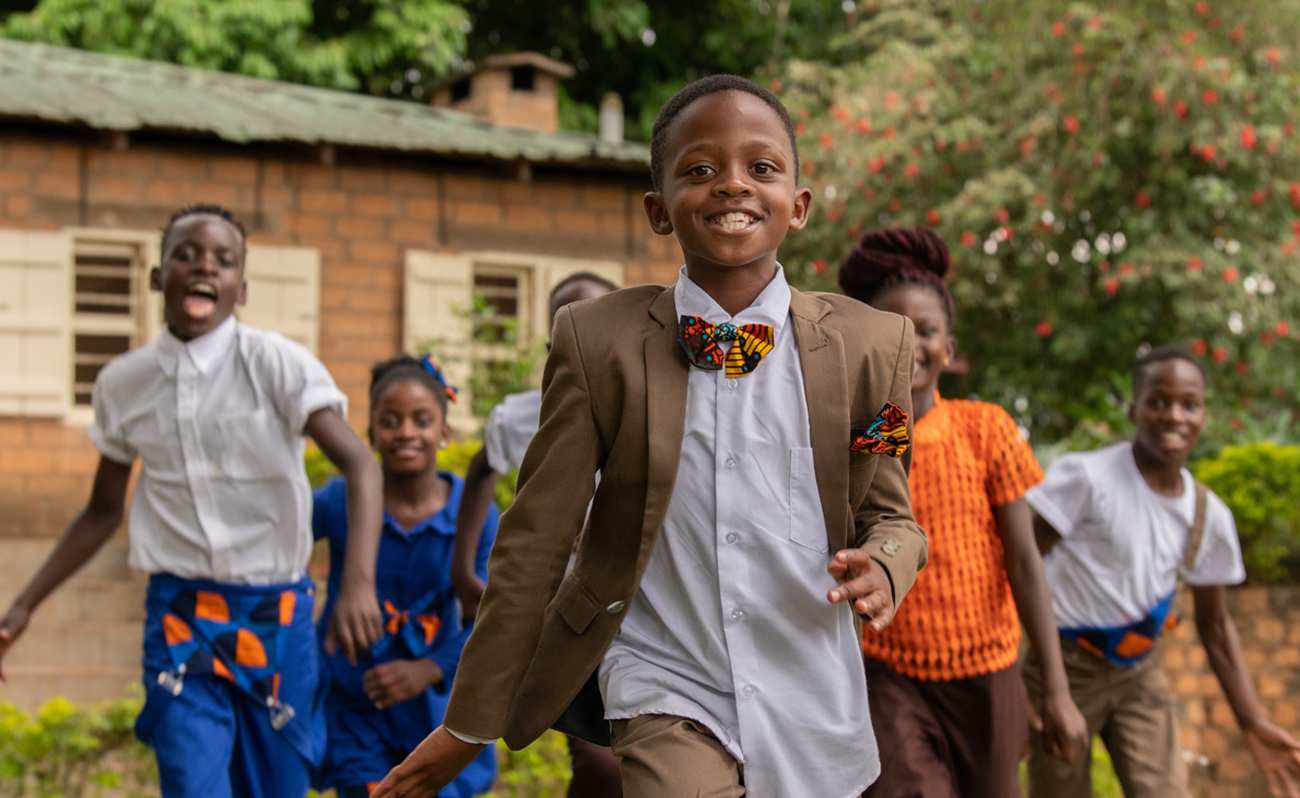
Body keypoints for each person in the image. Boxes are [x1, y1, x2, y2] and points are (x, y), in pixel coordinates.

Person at [373, 74, 928, 798]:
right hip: (663, 673)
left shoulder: (873, 349)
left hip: (807, 684)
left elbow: (893, 512)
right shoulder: (597, 342)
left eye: (761, 168)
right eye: (700, 170)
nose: (732, 185)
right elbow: (535, 539)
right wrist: (467, 725)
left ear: (797, 206)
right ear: (658, 209)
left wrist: (885, 563)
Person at [0, 204, 384, 798]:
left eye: (223, 260)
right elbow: (103, 511)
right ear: (158, 277)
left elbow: (360, 464)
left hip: (276, 616)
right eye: (185, 254)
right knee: (191, 777)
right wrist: (23, 606)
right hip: (180, 617)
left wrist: (357, 583)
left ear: (241, 288)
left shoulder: (275, 364)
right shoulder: (124, 384)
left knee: (277, 787)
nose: (204, 265)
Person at [837, 227, 1088, 798]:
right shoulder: (861, 440)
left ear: (949, 348)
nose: (910, 343)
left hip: (989, 675)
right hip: (887, 673)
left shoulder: (987, 430)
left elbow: (1025, 562)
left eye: (926, 331)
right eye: (891, 329)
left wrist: (1055, 686)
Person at [1024, 345, 1300, 797]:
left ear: (1203, 415)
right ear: (1134, 409)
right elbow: (1020, 563)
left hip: (1139, 673)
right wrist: (1033, 681)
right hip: (1063, 668)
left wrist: (1253, 721)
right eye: (1158, 401)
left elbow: (1215, 626)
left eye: (1189, 404)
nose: (1175, 415)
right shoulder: (1088, 479)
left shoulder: (1209, 516)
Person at [451, 271, 621, 798]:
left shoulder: (646, 410)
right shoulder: (523, 416)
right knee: (601, 762)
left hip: (634, 613)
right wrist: (463, 573)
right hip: (564, 619)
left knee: (636, 760)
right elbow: (481, 471)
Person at [313, 355, 497, 798]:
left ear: (445, 432)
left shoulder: (473, 514)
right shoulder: (338, 501)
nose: (407, 433)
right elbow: (277, 557)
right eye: (391, 421)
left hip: (436, 711)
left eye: (422, 420)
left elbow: (494, 619)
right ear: (371, 435)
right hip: (356, 705)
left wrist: (431, 668)